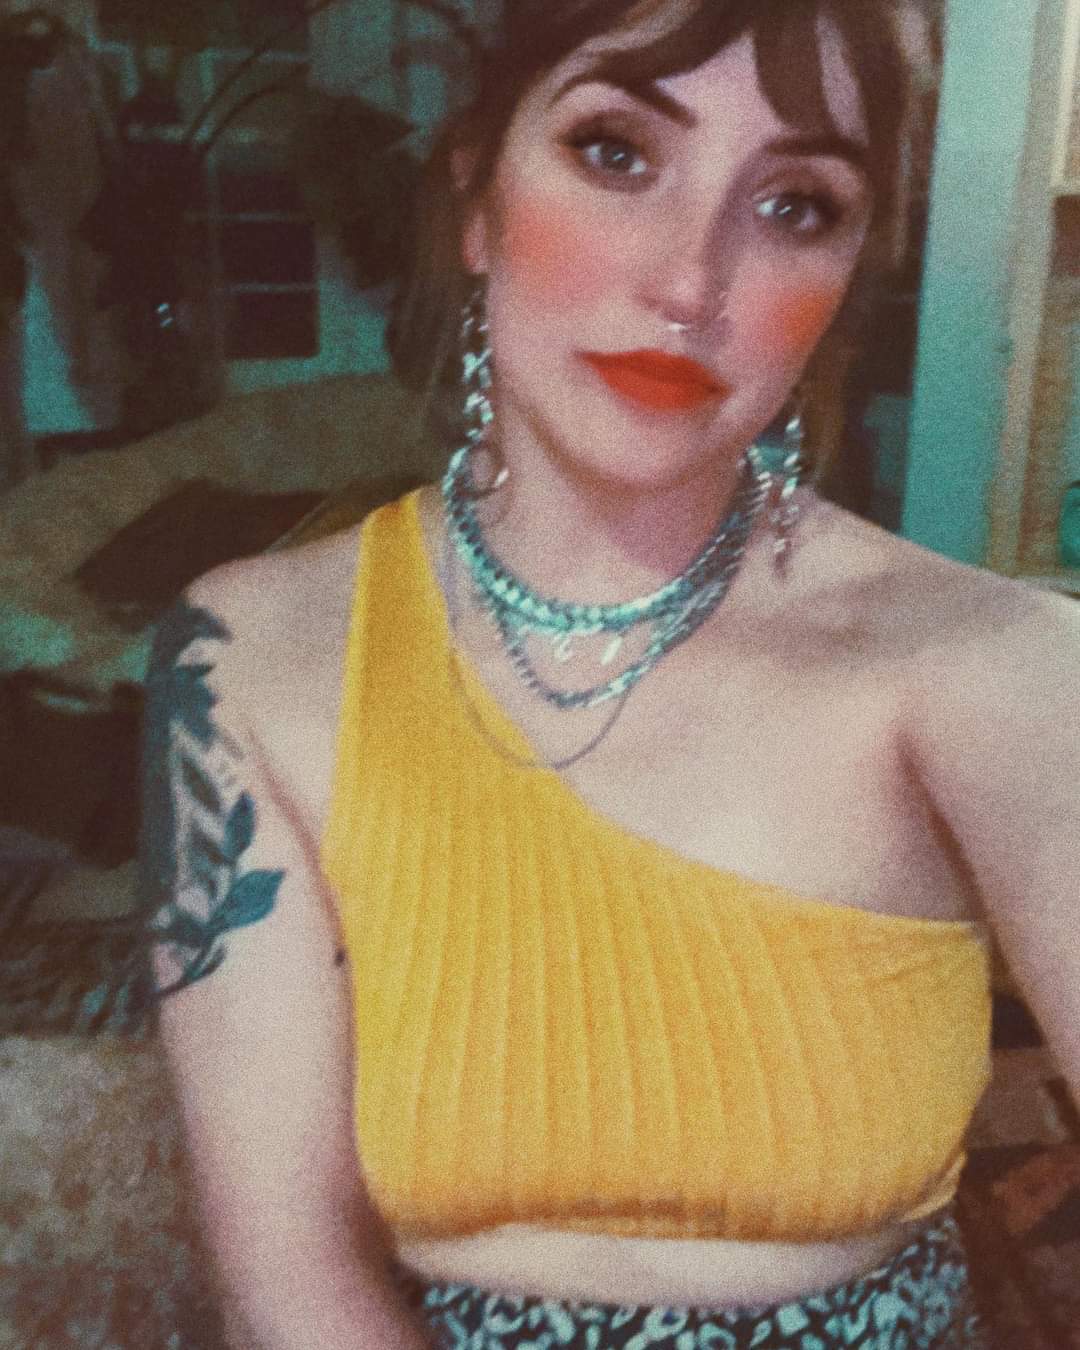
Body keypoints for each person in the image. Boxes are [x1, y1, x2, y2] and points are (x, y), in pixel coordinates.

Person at [139, 1, 1080, 1347]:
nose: (692, 282)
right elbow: (289, 1271)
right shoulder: (246, 660)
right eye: (617, 153)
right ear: (477, 198)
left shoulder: (996, 667)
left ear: (850, 276)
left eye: (797, 207)